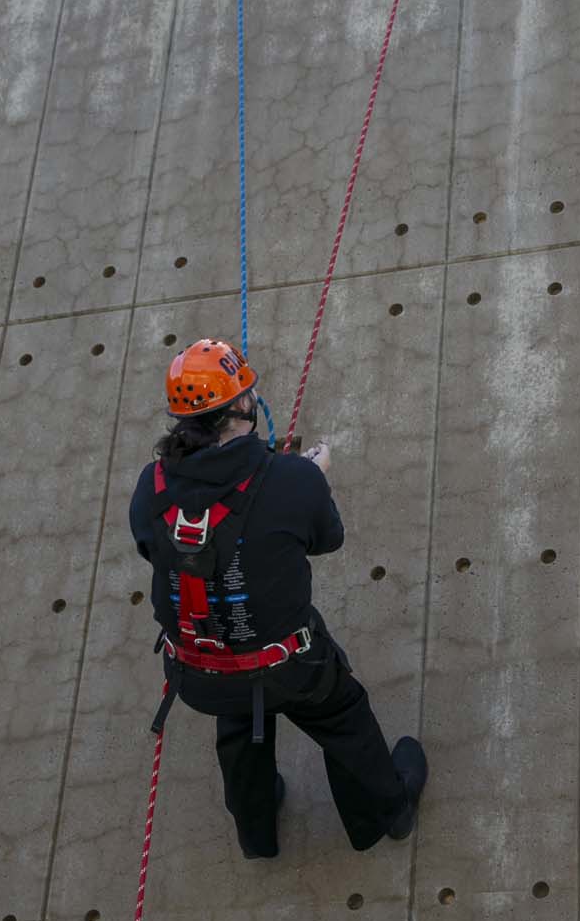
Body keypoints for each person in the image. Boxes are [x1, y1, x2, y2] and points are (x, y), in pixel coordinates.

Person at [128, 338, 428, 859]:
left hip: (200, 671)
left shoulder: (150, 485)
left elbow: (150, 548)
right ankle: (388, 813)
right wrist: (313, 478)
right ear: (241, 406)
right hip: (291, 667)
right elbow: (327, 539)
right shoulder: (293, 479)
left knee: (240, 725)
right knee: (343, 715)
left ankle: (256, 830)